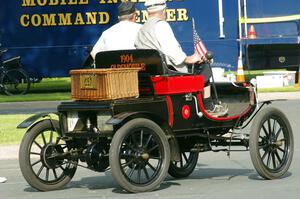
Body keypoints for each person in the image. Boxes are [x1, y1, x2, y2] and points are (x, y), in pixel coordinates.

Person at [135, 0, 202, 73]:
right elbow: (171, 50)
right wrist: (188, 59)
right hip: (168, 74)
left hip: (150, 72)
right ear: (164, 10)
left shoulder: (142, 29)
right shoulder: (161, 25)